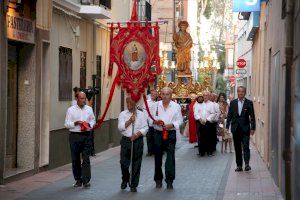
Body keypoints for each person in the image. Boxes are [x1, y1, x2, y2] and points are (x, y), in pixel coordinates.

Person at [150, 87, 183, 189]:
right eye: (163, 94)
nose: (164, 96)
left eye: (167, 94)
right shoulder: (155, 105)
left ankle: (169, 180)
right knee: (158, 158)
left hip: (170, 134)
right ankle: (158, 179)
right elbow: (149, 118)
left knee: (170, 157)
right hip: (158, 134)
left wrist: (172, 125)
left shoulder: (176, 106)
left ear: (171, 95)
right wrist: (155, 121)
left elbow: (180, 120)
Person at [64, 92, 96, 188]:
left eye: (84, 98)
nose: (83, 100)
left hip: (86, 136)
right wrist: (75, 123)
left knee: (86, 158)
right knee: (75, 159)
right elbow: (66, 124)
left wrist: (90, 124)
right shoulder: (70, 110)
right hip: (75, 136)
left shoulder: (89, 109)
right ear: (77, 99)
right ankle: (78, 180)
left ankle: (86, 180)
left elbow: (93, 120)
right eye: (81, 98)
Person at [118, 96, 148, 192]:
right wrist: (130, 121)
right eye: (127, 103)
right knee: (124, 163)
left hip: (137, 140)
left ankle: (133, 184)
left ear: (135, 103)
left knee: (136, 163)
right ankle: (125, 179)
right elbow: (120, 127)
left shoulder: (142, 114)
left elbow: (145, 127)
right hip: (126, 140)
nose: (128, 105)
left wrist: (137, 134)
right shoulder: (122, 114)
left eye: (130, 103)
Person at [226, 86, 256, 172]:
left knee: (246, 146)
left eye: (242, 92)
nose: (241, 93)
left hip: (245, 128)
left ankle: (247, 164)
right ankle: (239, 165)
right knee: (237, 147)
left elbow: (252, 117)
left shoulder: (249, 103)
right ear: (237, 92)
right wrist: (227, 126)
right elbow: (229, 115)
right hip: (235, 128)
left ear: (245, 93)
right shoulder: (233, 103)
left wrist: (253, 128)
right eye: (239, 92)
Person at [194, 91, 217, 156]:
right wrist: (200, 119)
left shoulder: (211, 104)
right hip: (200, 122)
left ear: (209, 96)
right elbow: (195, 113)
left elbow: (213, 113)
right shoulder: (198, 104)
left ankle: (209, 151)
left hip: (208, 122)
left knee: (208, 137)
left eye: (206, 95)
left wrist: (207, 119)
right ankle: (201, 152)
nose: (205, 96)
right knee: (200, 137)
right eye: (204, 95)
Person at [143, 89, 158, 156]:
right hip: (148, 121)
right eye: (152, 94)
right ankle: (149, 151)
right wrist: (146, 121)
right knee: (149, 137)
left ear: (156, 95)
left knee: (155, 137)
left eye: (155, 94)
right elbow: (145, 112)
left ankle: (155, 150)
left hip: (156, 122)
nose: (153, 95)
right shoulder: (146, 102)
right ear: (150, 94)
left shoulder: (158, 103)